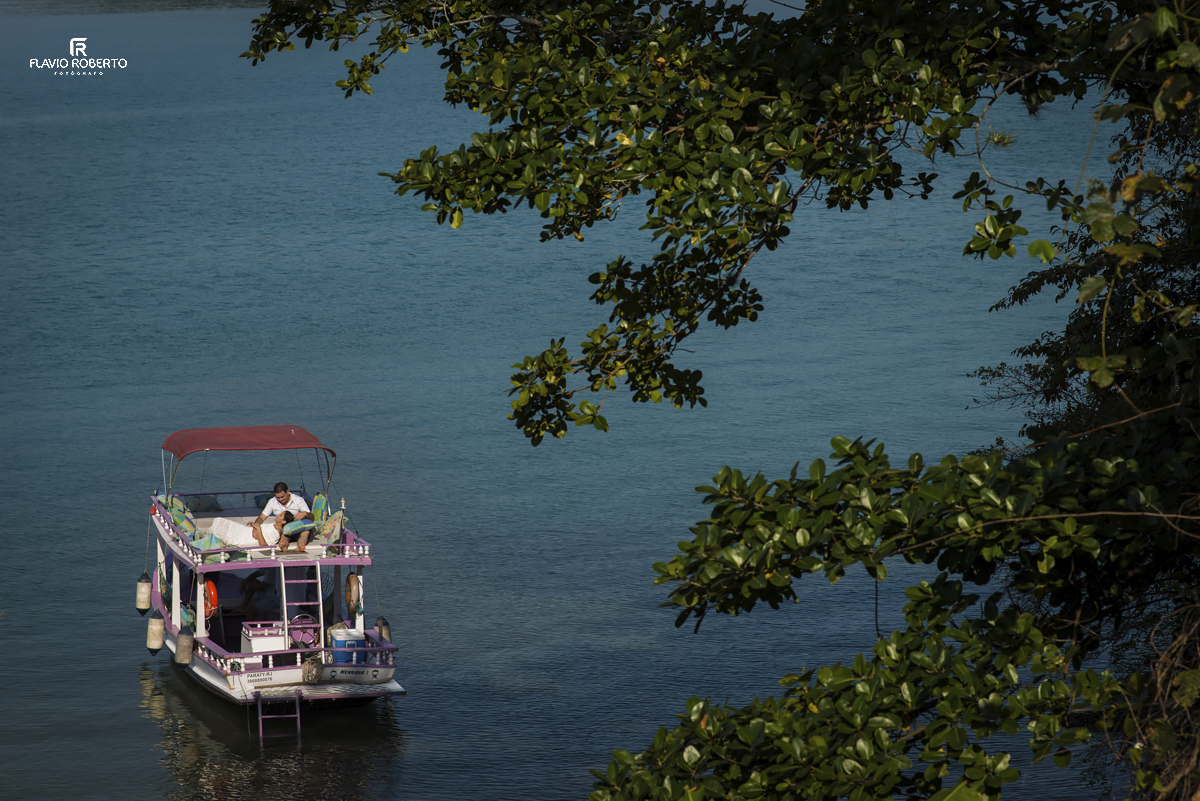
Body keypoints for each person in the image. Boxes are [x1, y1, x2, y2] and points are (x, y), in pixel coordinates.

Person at [250, 482, 311, 549]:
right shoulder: (272, 501)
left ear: (288, 491)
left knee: (306, 532)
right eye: (278, 497)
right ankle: (284, 546)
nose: (280, 499)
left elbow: (311, 518)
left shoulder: (299, 500)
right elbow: (261, 517)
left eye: (282, 496)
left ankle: (300, 546)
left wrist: (305, 513)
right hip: (283, 531)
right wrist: (255, 527)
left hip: (297, 529)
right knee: (283, 536)